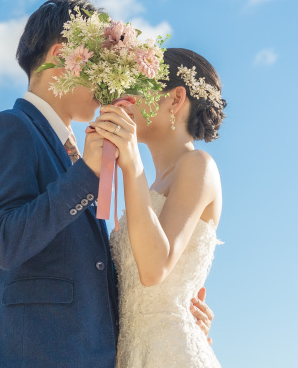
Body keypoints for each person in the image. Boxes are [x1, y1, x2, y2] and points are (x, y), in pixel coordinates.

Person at [0, 0, 214, 367]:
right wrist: (86, 173)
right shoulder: (9, 130)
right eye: (102, 62)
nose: (112, 81)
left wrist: (175, 307)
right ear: (61, 56)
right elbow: (4, 242)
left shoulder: (80, 154)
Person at [88, 48, 226, 367]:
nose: (125, 98)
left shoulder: (197, 165)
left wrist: (130, 161)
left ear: (175, 99)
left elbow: (154, 270)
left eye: (136, 87)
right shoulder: (147, 189)